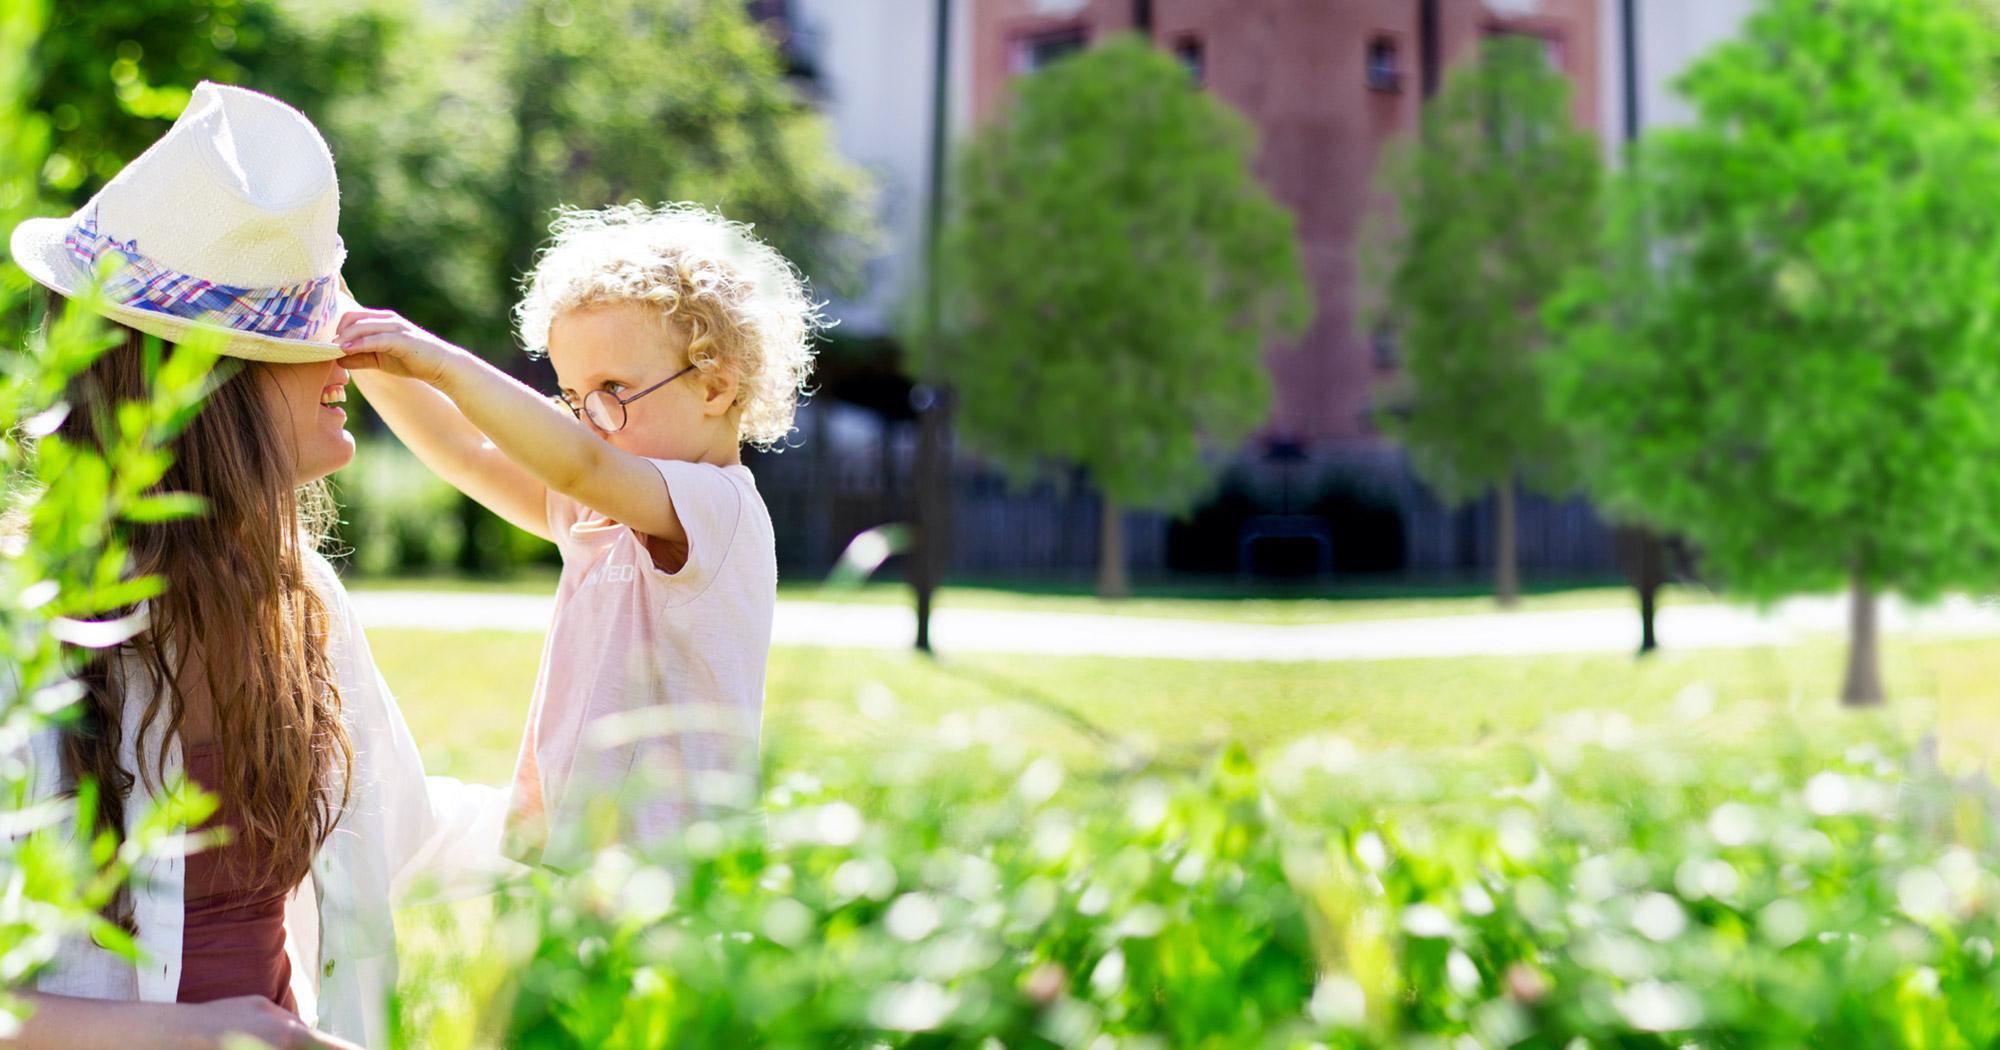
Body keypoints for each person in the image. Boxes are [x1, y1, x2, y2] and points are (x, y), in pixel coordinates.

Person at [4, 82, 508, 1049]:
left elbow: (397, 827)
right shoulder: (26, 626)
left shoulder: (298, 595)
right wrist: (198, 1035)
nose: (346, 361)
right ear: (210, 390)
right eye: (301, 336)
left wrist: (607, 816)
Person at [336, 201, 819, 865]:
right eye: (572, 396)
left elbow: (579, 462)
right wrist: (357, 336)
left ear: (714, 387)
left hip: (672, 866)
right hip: (578, 854)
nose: (589, 420)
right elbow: (465, 449)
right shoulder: (598, 514)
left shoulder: (718, 507)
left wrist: (443, 362)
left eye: (612, 389)